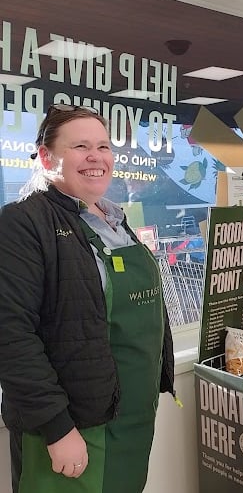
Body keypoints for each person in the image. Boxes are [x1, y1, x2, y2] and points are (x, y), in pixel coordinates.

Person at [0, 104, 176, 493]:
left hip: (132, 420)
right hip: (71, 430)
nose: (96, 157)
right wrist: (57, 428)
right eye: (80, 146)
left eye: (103, 146)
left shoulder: (117, 221)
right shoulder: (23, 223)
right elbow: (11, 335)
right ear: (47, 157)